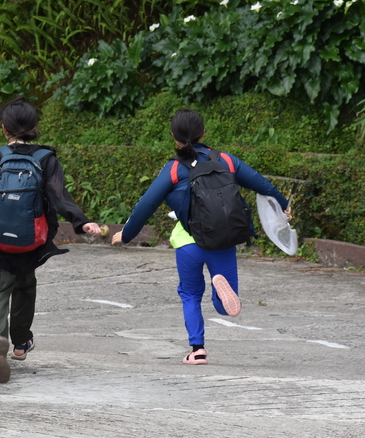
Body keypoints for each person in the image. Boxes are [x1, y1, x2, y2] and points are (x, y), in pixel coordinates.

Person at [0, 98, 101, 383]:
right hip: (31, 239)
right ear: (35, 127)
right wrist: (81, 221)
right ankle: (21, 342)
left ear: (4, 128)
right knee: (25, 286)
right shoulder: (46, 159)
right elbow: (60, 197)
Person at [111, 109, 290, 365]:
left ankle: (197, 350)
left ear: (174, 137)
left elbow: (145, 206)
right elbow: (264, 185)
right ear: (204, 133)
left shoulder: (174, 169)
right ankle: (220, 292)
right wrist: (284, 206)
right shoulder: (226, 160)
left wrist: (125, 236)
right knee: (224, 305)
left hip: (188, 244)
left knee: (190, 294)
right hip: (223, 242)